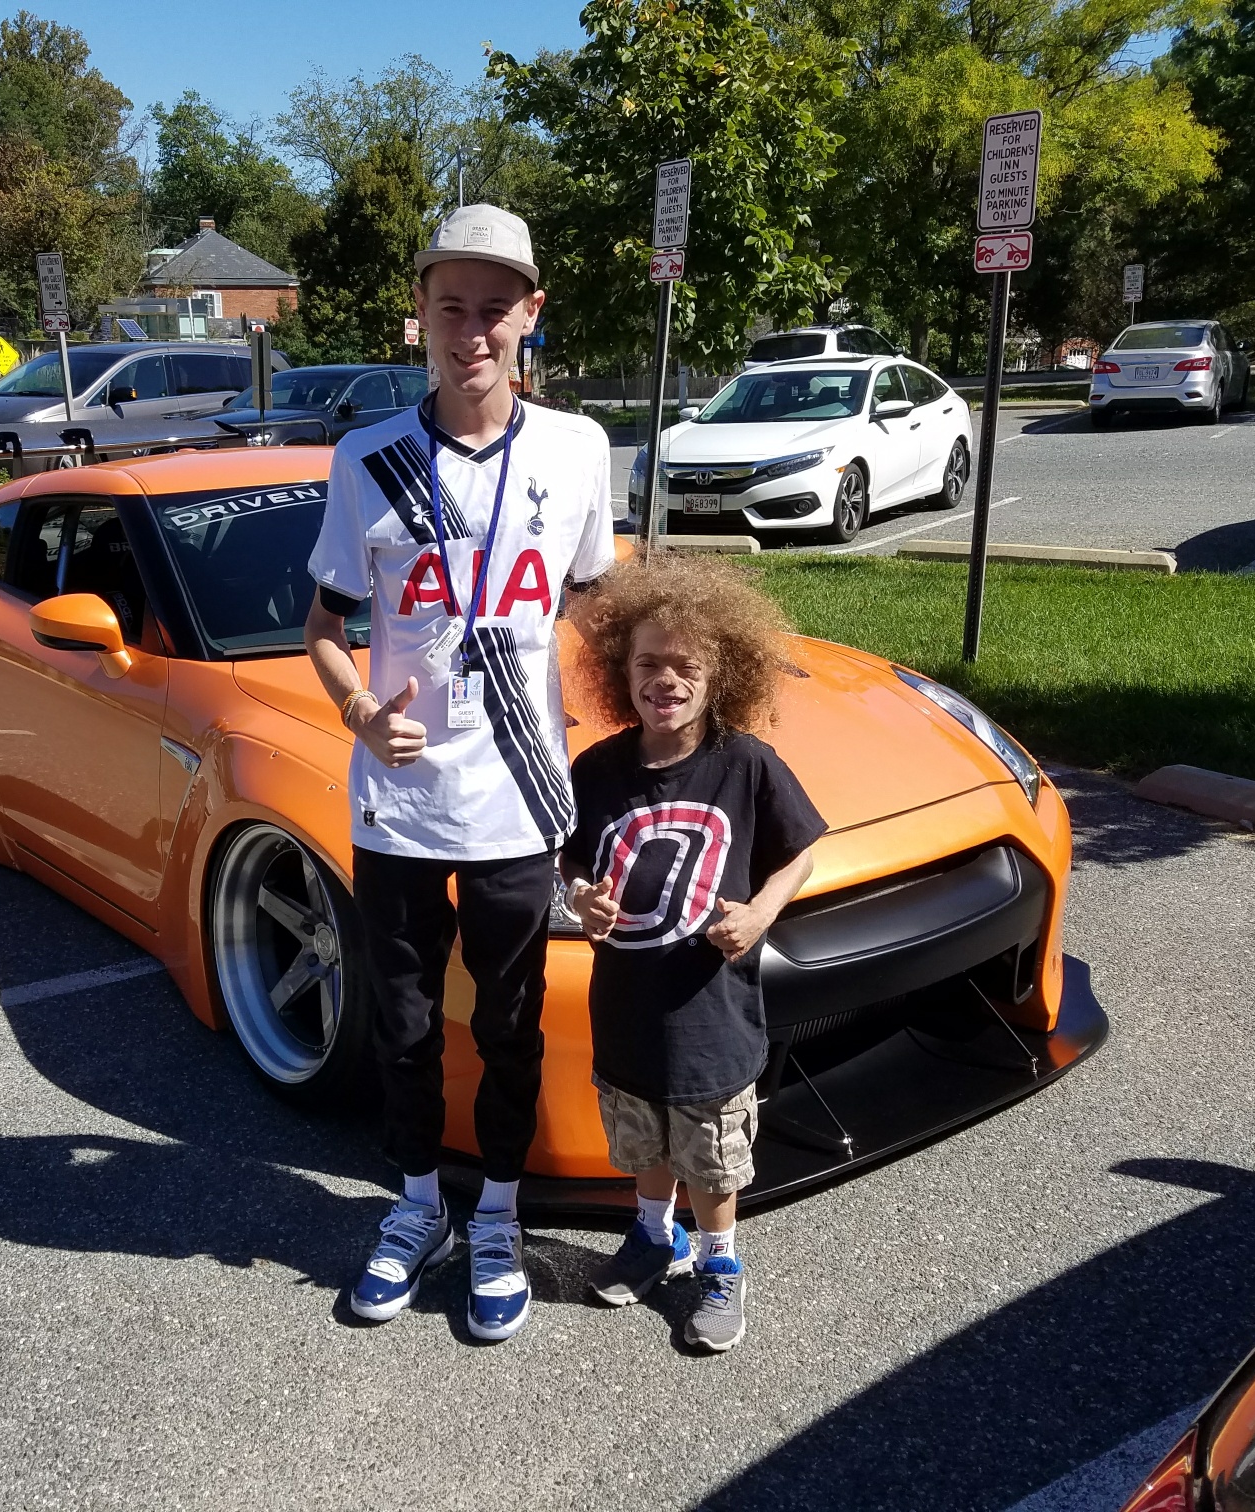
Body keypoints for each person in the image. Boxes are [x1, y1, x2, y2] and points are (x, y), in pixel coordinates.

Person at [303, 204, 615, 1343]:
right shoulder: (365, 459)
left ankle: (498, 1215)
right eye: (452, 308)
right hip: (398, 806)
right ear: (420, 318)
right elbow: (324, 623)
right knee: (401, 1026)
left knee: (516, 1027)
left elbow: (588, 608)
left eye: (496, 308)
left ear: (532, 316)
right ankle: (418, 1202)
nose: (472, 331)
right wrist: (354, 706)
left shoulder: (580, 450)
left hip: (524, 801)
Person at [559, 555, 826, 1353]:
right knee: (643, 1137)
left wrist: (762, 913)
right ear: (620, 672)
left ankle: (719, 1263)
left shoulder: (745, 764)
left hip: (712, 1013)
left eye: (686, 667)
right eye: (648, 664)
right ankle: (652, 1235)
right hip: (627, 1007)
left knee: (711, 1155)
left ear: (722, 674)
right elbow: (574, 859)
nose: (664, 681)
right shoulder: (598, 769)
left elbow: (801, 853)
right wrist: (582, 897)